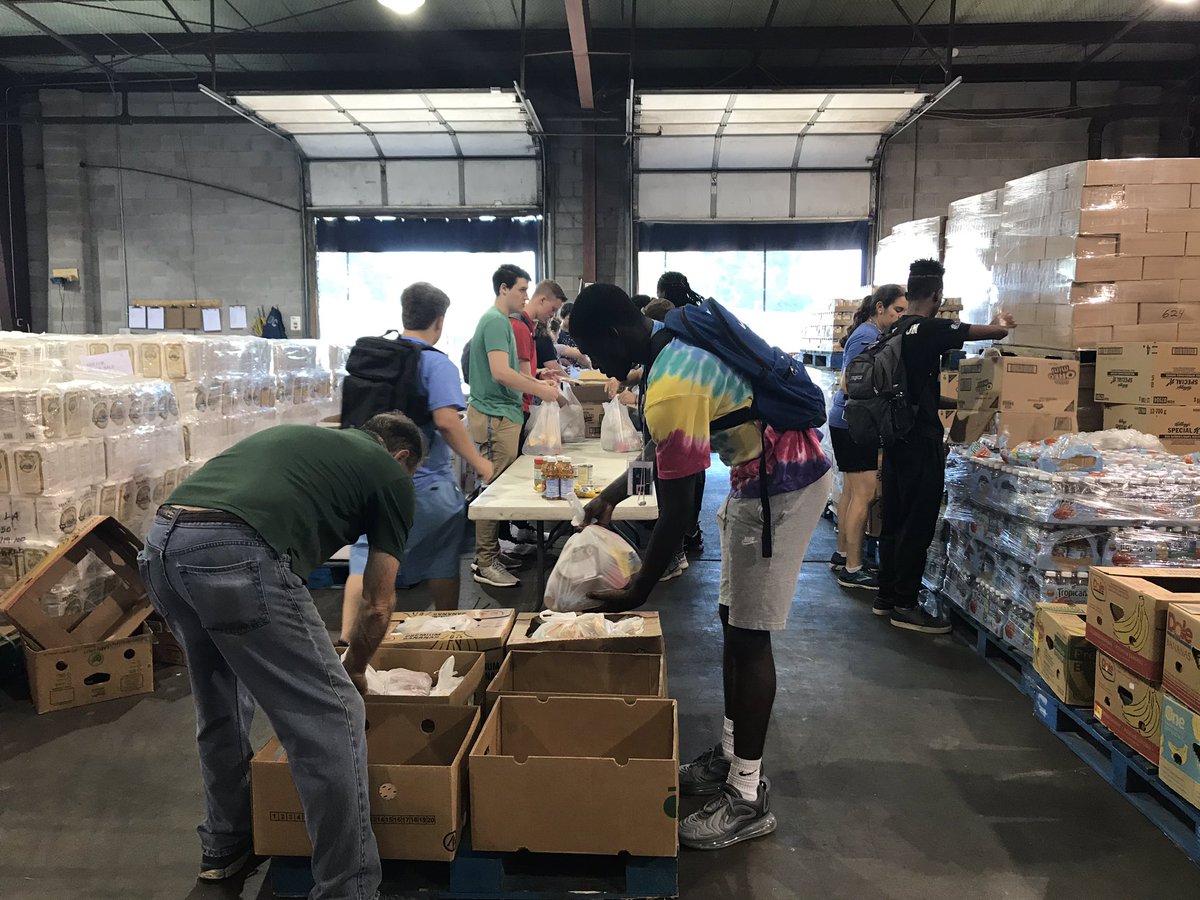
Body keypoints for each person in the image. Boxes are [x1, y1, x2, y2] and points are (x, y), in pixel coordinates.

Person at [570, 284, 832, 851]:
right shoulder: (668, 353)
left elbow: (679, 508)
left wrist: (639, 590)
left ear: (614, 335)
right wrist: (612, 496)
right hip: (754, 478)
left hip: (783, 484)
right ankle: (733, 755)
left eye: (592, 350)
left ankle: (746, 795)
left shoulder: (668, 383)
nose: (595, 364)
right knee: (732, 619)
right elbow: (664, 456)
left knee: (750, 632)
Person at [139, 413, 425, 898]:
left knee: (220, 703)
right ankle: (348, 888)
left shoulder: (302, 438)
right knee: (334, 713)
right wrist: (353, 667)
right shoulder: (390, 473)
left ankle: (225, 845)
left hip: (163, 545)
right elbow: (379, 604)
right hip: (236, 550)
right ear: (401, 457)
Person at [339, 284, 495, 627]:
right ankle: (446, 630)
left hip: (369, 482)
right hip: (424, 484)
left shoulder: (377, 357)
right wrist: (481, 463)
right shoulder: (436, 364)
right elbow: (446, 422)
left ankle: (347, 642)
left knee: (364, 556)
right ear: (439, 321)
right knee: (441, 558)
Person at [874, 259, 1013, 632]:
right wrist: (1001, 324)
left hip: (895, 438)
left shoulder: (895, 329)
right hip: (921, 441)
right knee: (918, 523)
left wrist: (956, 404)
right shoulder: (930, 327)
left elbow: (915, 390)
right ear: (936, 296)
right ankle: (906, 603)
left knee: (894, 518)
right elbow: (987, 333)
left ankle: (886, 596)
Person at [468, 264, 560, 588]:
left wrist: (536, 379)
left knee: (498, 489)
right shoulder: (495, 322)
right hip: (494, 415)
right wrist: (541, 391)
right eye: (521, 289)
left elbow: (511, 372)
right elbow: (500, 373)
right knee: (492, 491)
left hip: (504, 413)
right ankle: (485, 560)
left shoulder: (505, 323)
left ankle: (491, 553)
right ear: (503, 289)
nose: (525, 295)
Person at [828, 285, 908, 591]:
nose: (901, 316)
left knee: (851, 491)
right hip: (856, 422)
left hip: (846, 420)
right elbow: (851, 382)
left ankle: (844, 554)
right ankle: (853, 568)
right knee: (864, 493)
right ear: (879, 308)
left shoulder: (867, 333)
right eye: (897, 310)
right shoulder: (867, 336)